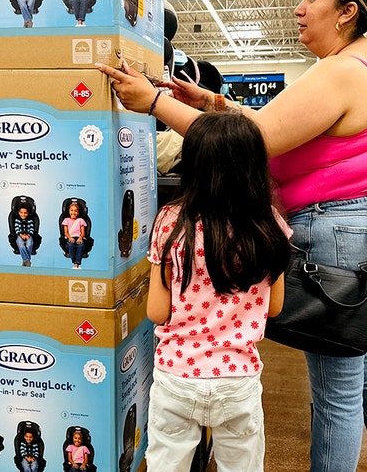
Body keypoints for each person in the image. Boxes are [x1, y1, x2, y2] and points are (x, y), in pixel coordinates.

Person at [98, 0, 367, 471]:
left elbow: (250, 144)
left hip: (340, 236)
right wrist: (212, 102)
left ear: (346, 12)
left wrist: (154, 104)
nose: (299, 10)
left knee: (339, 394)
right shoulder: (358, 64)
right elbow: (277, 123)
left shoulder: (342, 71)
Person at [145, 111, 291, 471]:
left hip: (177, 375)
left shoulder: (170, 221)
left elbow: (156, 311)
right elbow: (275, 309)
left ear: (191, 163)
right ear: (255, 165)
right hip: (237, 379)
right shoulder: (270, 224)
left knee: (166, 463)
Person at [61, 203, 86, 269]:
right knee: (71, 245)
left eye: (75, 211)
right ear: (69, 212)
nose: (73, 212)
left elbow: (83, 233)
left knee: (80, 245)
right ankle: (75, 262)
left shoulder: (81, 220)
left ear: (78, 213)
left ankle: (76, 264)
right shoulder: (66, 220)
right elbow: (65, 232)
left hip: (78, 237)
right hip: (70, 237)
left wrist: (80, 238)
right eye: (71, 210)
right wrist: (69, 238)